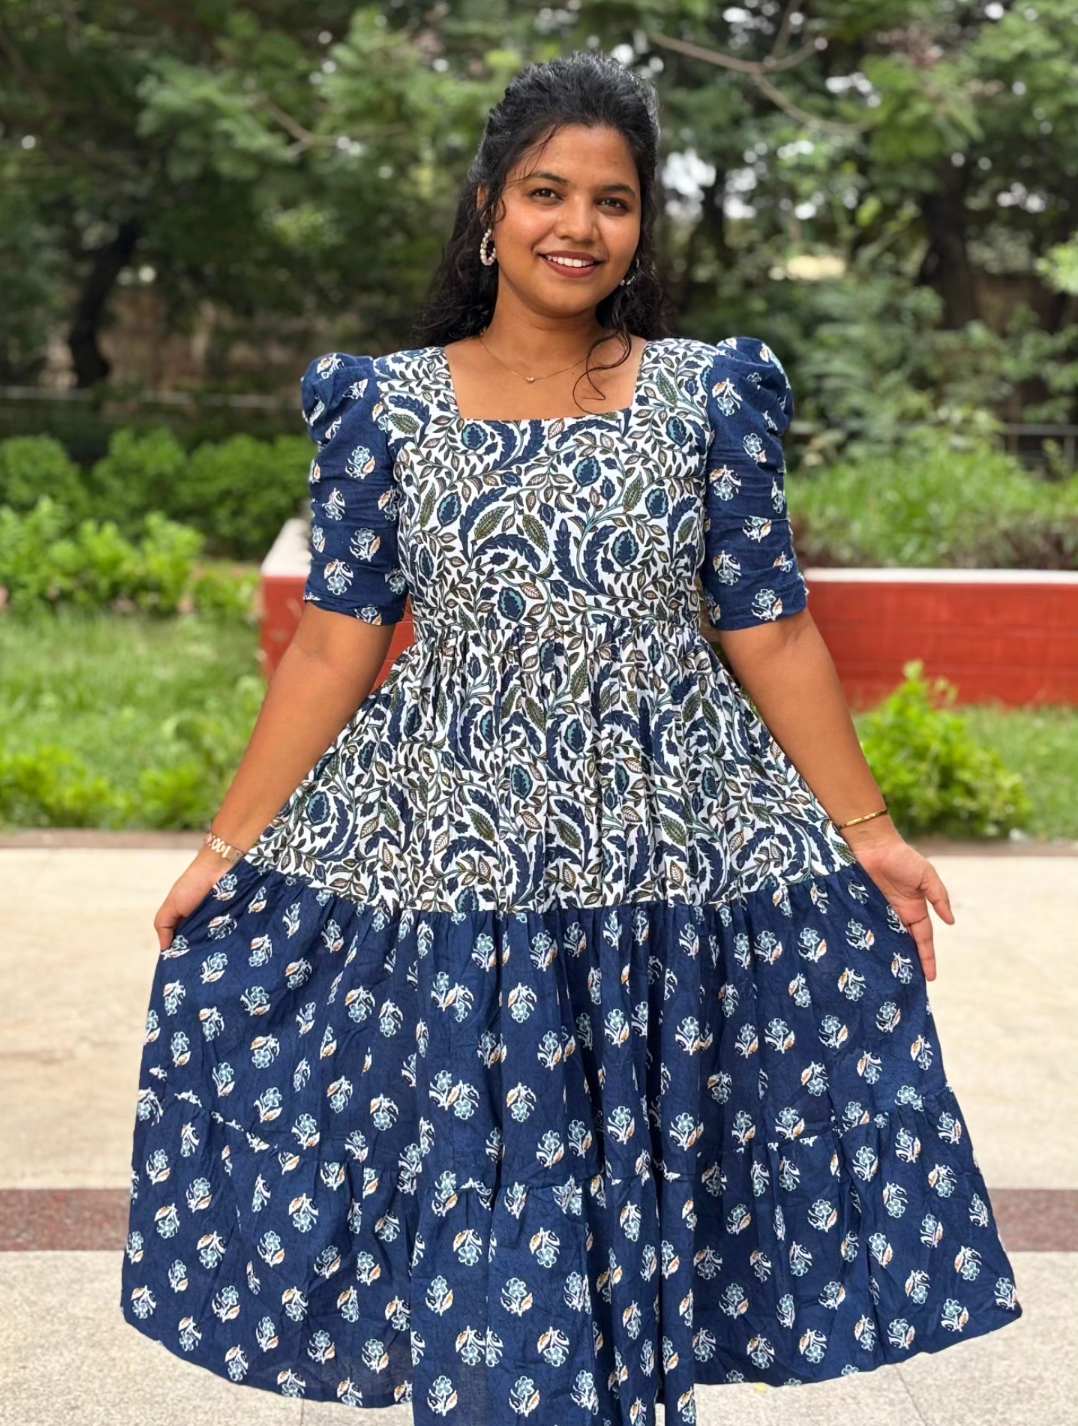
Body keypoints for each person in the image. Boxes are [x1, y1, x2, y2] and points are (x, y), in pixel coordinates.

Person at [120, 49, 1021, 1426]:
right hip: (465, 876)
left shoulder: (707, 394)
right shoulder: (389, 407)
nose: (575, 226)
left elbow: (767, 628)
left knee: (633, 1220)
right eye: (545, 190)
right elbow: (332, 639)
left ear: (640, 224)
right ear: (487, 206)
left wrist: (874, 836)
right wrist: (222, 845)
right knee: (497, 1225)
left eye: (611, 199)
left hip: (673, 862)